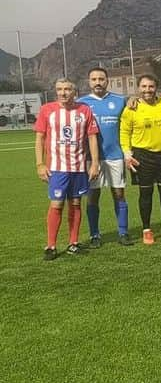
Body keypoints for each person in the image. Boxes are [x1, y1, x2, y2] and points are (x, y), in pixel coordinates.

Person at [35, 77, 100, 260]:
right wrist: (40, 164)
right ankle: (51, 245)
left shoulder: (84, 110)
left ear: (74, 92)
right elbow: (39, 138)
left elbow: (92, 138)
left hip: (78, 167)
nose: (63, 93)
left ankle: (73, 242)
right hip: (57, 167)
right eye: (59, 89)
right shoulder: (47, 110)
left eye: (67, 89)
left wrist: (94, 163)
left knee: (76, 203)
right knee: (56, 204)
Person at [120, 74, 161, 245]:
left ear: (156, 88)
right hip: (142, 155)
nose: (147, 90)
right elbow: (124, 132)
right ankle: (146, 229)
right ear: (138, 88)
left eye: (151, 86)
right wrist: (127, 153)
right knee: (145, 193)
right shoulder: (131, 108)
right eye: (144, 87)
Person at [77, 66, 132, 246]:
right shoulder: (81, 103)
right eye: (94, 79)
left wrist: (133, 99)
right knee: (93, 196)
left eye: (101, 79)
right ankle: (95, 235)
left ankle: (123, 232)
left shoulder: (119, 100)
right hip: (91, 159)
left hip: (115, 156)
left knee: (119, 194)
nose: (98, 82)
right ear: (89, 82)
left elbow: (132, 112)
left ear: (107, 81)